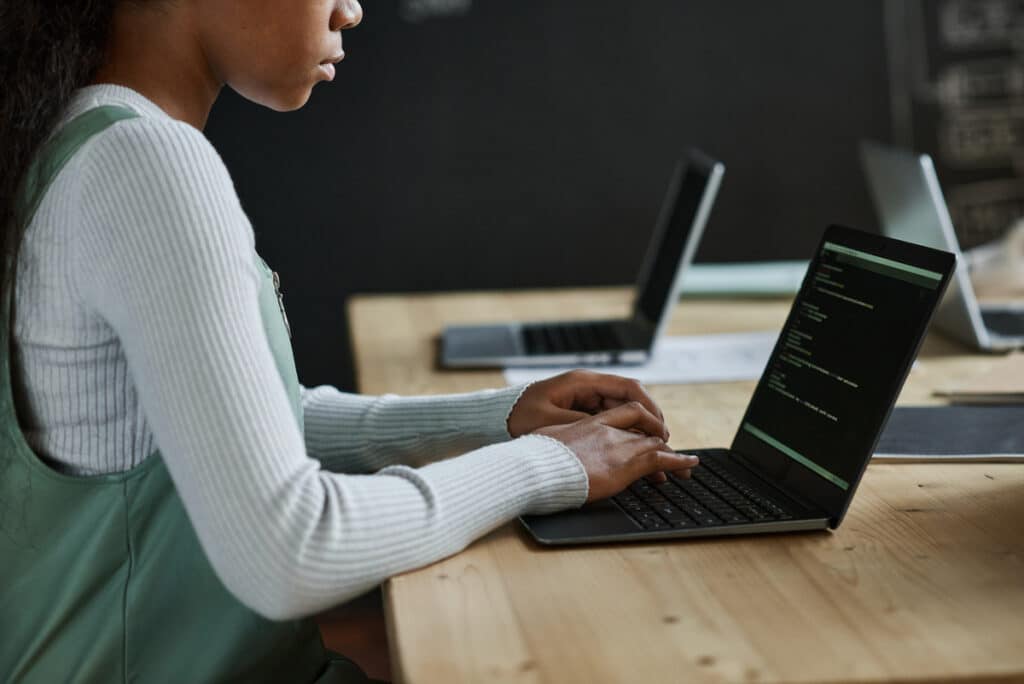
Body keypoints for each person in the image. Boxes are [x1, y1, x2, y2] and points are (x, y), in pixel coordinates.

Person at [0, 1, 699, 681]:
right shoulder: (147, 163)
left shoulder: (80, 137)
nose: (352, 11)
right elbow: (290, 551)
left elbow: (231, 423)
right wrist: (549, 466)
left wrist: (495, 421)